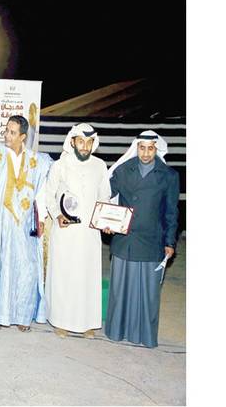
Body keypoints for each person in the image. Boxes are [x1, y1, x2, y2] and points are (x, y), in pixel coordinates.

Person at [0, 115, 53, 332]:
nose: (7, 136)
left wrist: (41, 219)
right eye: (6, 131)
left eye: (12, 132)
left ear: (23, 136)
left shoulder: (36, 161)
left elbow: (41, 192)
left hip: (24, 227)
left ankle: (22, 316)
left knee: (26, 270)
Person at [104, 131, 179, 348]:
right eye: (142, 148)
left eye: (150, 148)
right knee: (120, 289)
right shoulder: (122, 171)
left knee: (148, 292)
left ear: (157, 149)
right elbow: (105, 196)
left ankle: (144, 335)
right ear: (136, 148)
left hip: (152, 240)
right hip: (124, 239)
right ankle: (116, 331)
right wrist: (105, 222)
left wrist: (170, 242)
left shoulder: (169, 176)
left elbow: (171, 212)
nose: (146, 153)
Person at [44, 123, 110, 339]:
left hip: (89, 233)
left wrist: (107, 220)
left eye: (89, 142)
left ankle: (86, 323)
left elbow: (104, 197)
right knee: (64, 276)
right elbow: (49, 196)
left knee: (87, 276)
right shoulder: (59, 166)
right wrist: (57, 215)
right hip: (66, 231)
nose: (85, 146)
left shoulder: (100, 166)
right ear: (72, 142)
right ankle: (60, 321)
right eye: (81, 141)